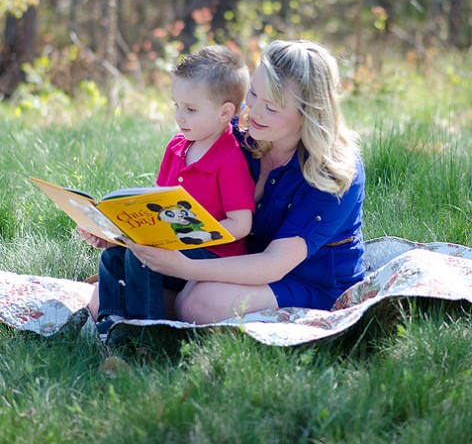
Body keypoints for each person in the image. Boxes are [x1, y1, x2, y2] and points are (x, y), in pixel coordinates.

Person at [126, 39, 365, 325]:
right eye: (253, 93)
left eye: (272, 108)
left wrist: (185, 268)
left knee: (198, 304)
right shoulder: (241, 131)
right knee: (110, 292)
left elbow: (273, 264)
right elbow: (191, 205)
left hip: (306, 278)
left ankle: (158, 314)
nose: (254, 112)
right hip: (233, 256)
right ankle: (149, 312)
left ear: (309, 114)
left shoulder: (333, 174)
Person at [78, 45, 256, 335]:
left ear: (226, 112)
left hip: (213, 257)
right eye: (177, 105)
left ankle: (149, 332)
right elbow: (158, 206)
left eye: (191, 109)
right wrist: (116, 232)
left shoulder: (230, 159)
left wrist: (186, 238)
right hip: (171, 246)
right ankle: (108, 323)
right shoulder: (176, 148)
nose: (180, 116)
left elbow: (241, 224)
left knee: (143, 258)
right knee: (114, 257)